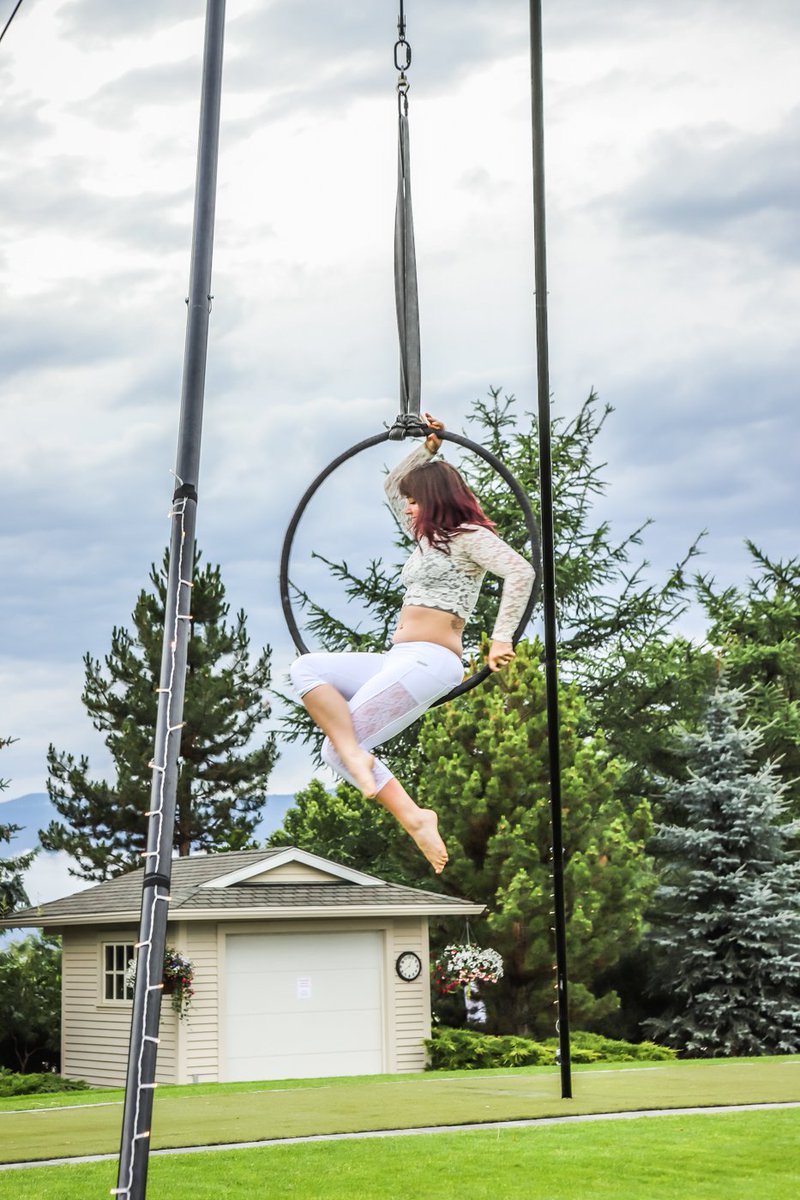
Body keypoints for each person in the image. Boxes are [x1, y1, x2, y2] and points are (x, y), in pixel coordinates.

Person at [289, 413, 535, 874]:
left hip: (431, 662)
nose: (406, 508)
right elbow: (390, 487)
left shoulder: (469, 538)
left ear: (434, 500)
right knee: (307, 671)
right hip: (398, 658)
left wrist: (501, 639)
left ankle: (415, 818)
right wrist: (427, 447)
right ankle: (383, 783)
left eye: (413, 502)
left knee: (341, 752)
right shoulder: (426, 540)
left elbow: (521, 572)